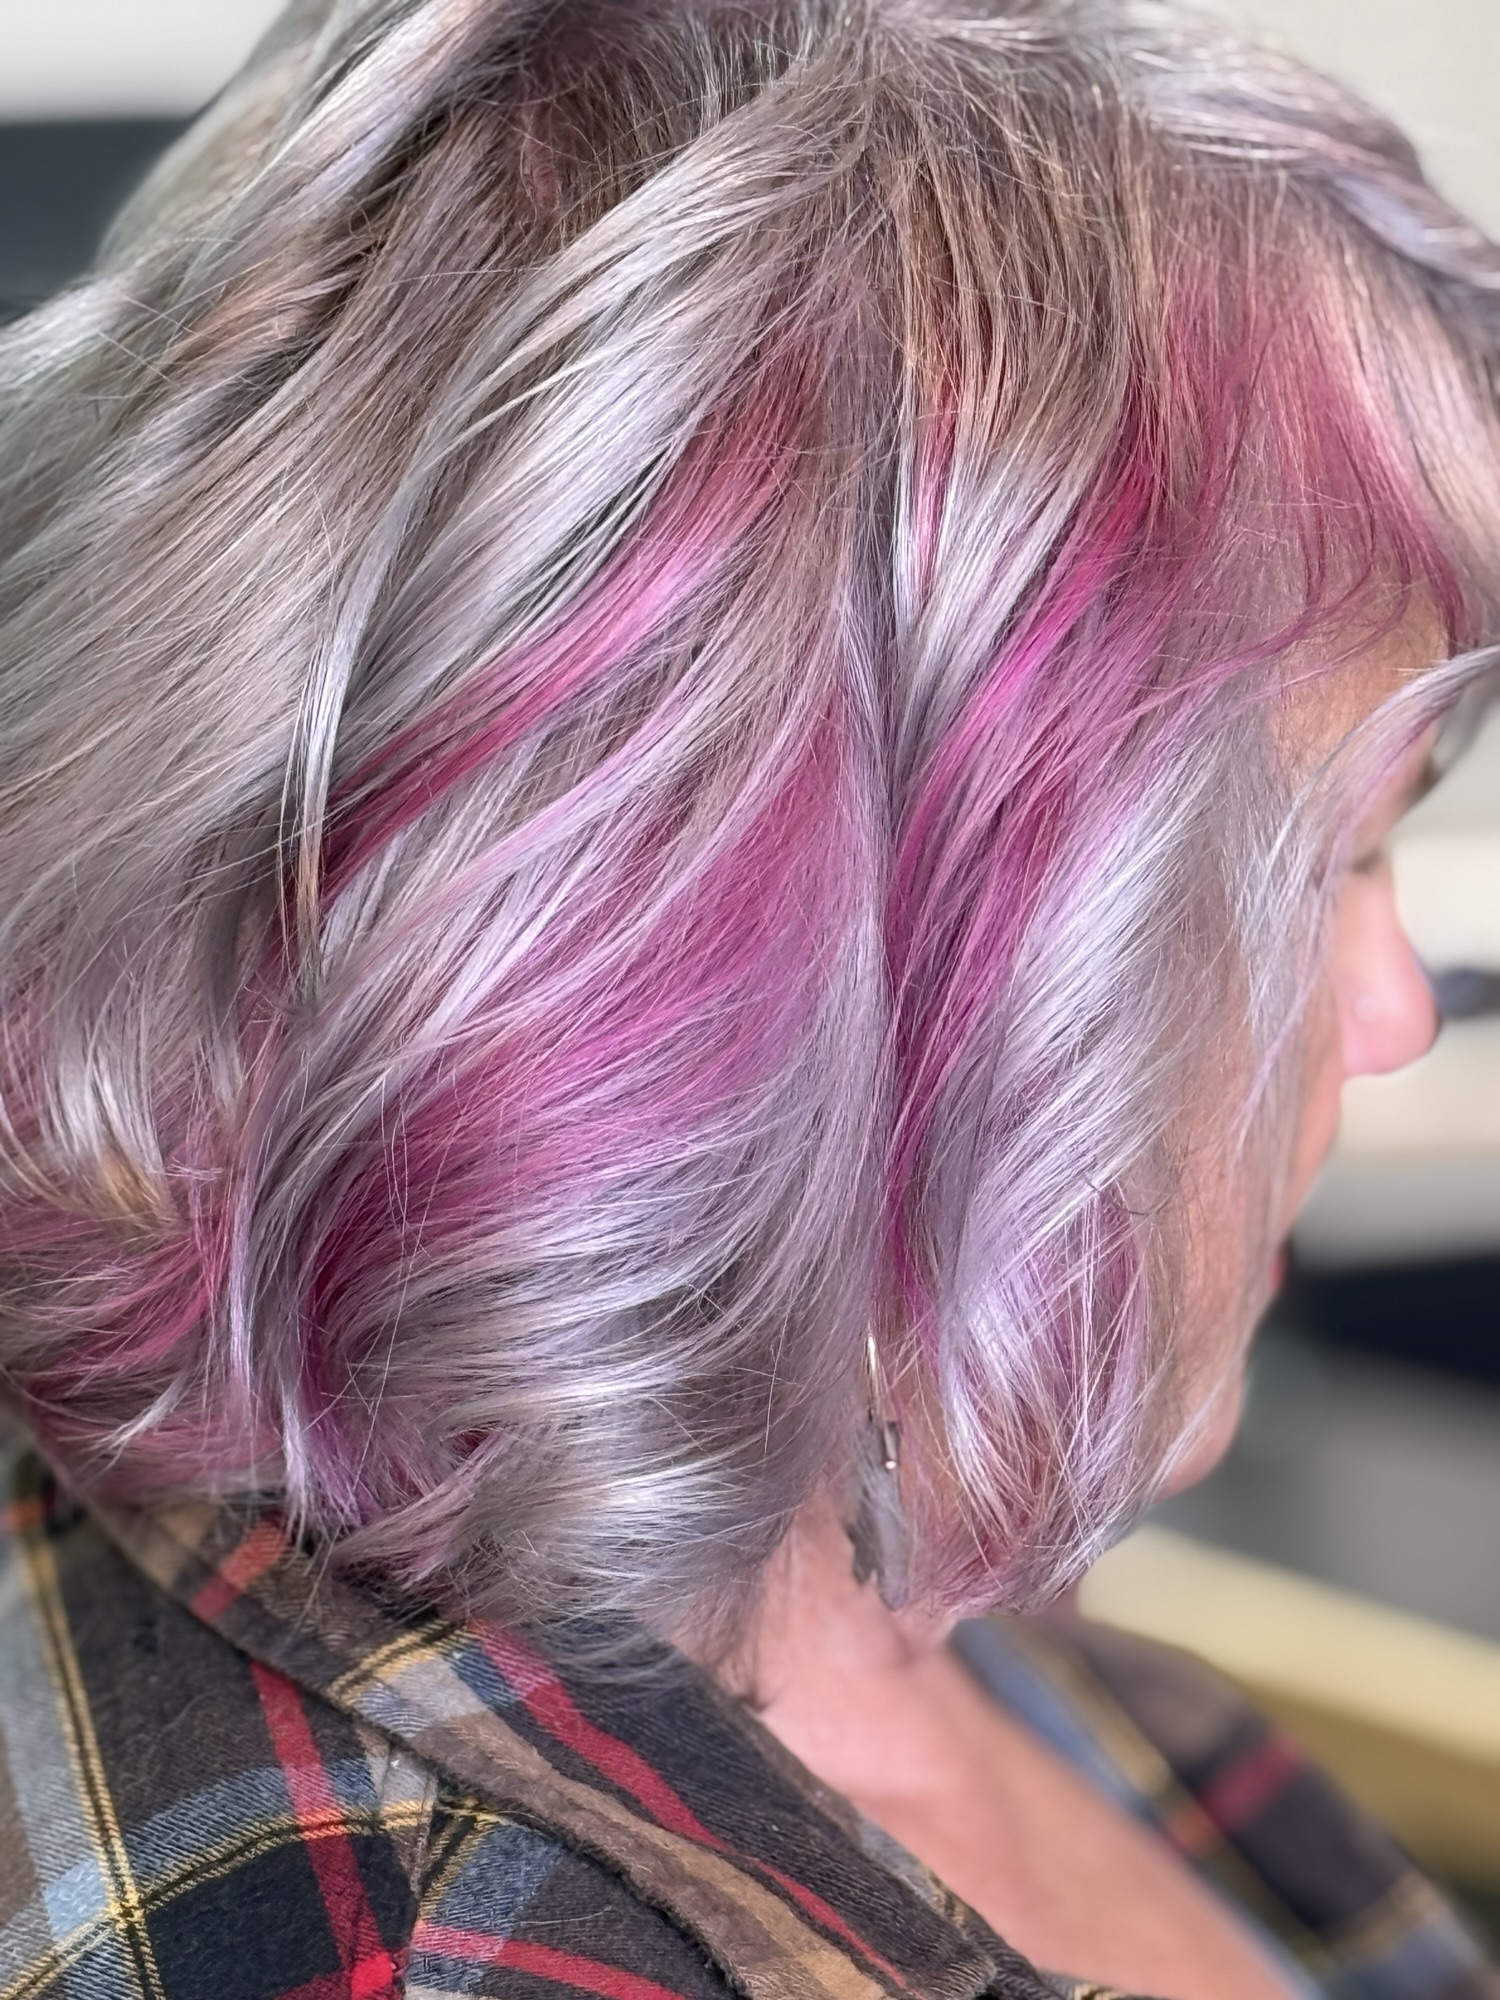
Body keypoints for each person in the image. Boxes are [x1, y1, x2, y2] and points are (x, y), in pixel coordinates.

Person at [0, 1, 1498, 1995]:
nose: (1394, 1009)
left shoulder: (917, 1626)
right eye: (1330, 863)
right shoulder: (444, 1946)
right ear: (755, 985)